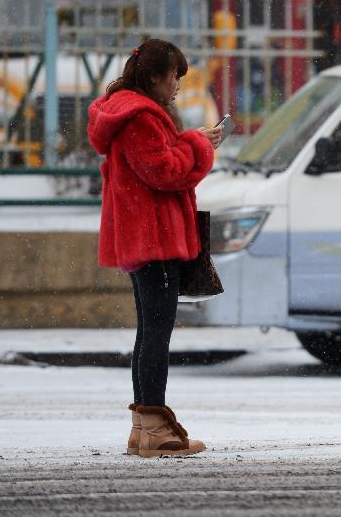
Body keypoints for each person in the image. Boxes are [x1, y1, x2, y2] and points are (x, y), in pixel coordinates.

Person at [87, 39, 222, 458]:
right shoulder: (140, 118)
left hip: (143, 235)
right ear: (153, 77)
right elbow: (164, 172)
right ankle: (154, 432)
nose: (178, 85)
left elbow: (157, 161)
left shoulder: (128, 112)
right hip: (154, 237)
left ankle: (144, 430)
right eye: (173, 76)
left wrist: (191, 139)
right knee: (155, 336)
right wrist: (199, 146)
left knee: (149, 333)